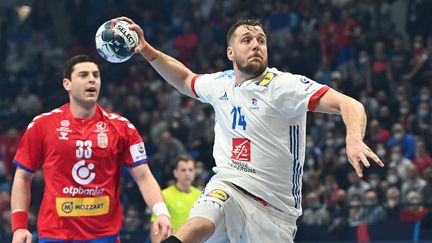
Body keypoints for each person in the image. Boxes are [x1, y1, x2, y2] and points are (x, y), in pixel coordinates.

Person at [119, 16, 384, 243]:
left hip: (276, 211)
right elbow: (186, 79)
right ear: (230, 53)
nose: (256, 44)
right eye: (246, 40)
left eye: (261, 40)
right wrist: (146, 50)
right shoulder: (220, 83)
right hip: (230, 184)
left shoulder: (284, 86)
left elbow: (349, 104)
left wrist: (354, 138)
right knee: (204, 216)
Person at [10, 55, 172, 243]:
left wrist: (161, 213)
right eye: (83, 75)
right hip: (55, 235)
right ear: (67, 84)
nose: (92, 79)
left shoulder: (122, 128)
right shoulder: (42, 125)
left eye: (96, 75)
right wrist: (19, 226)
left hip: (105, 236)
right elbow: (22, 177)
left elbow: (143, 176)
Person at [151, 155, 201, 243]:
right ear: (175, 173)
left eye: (190, 170)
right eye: (183, 170)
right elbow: (156, 228)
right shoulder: (164, 195)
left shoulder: (200, 195)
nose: (187, 173)